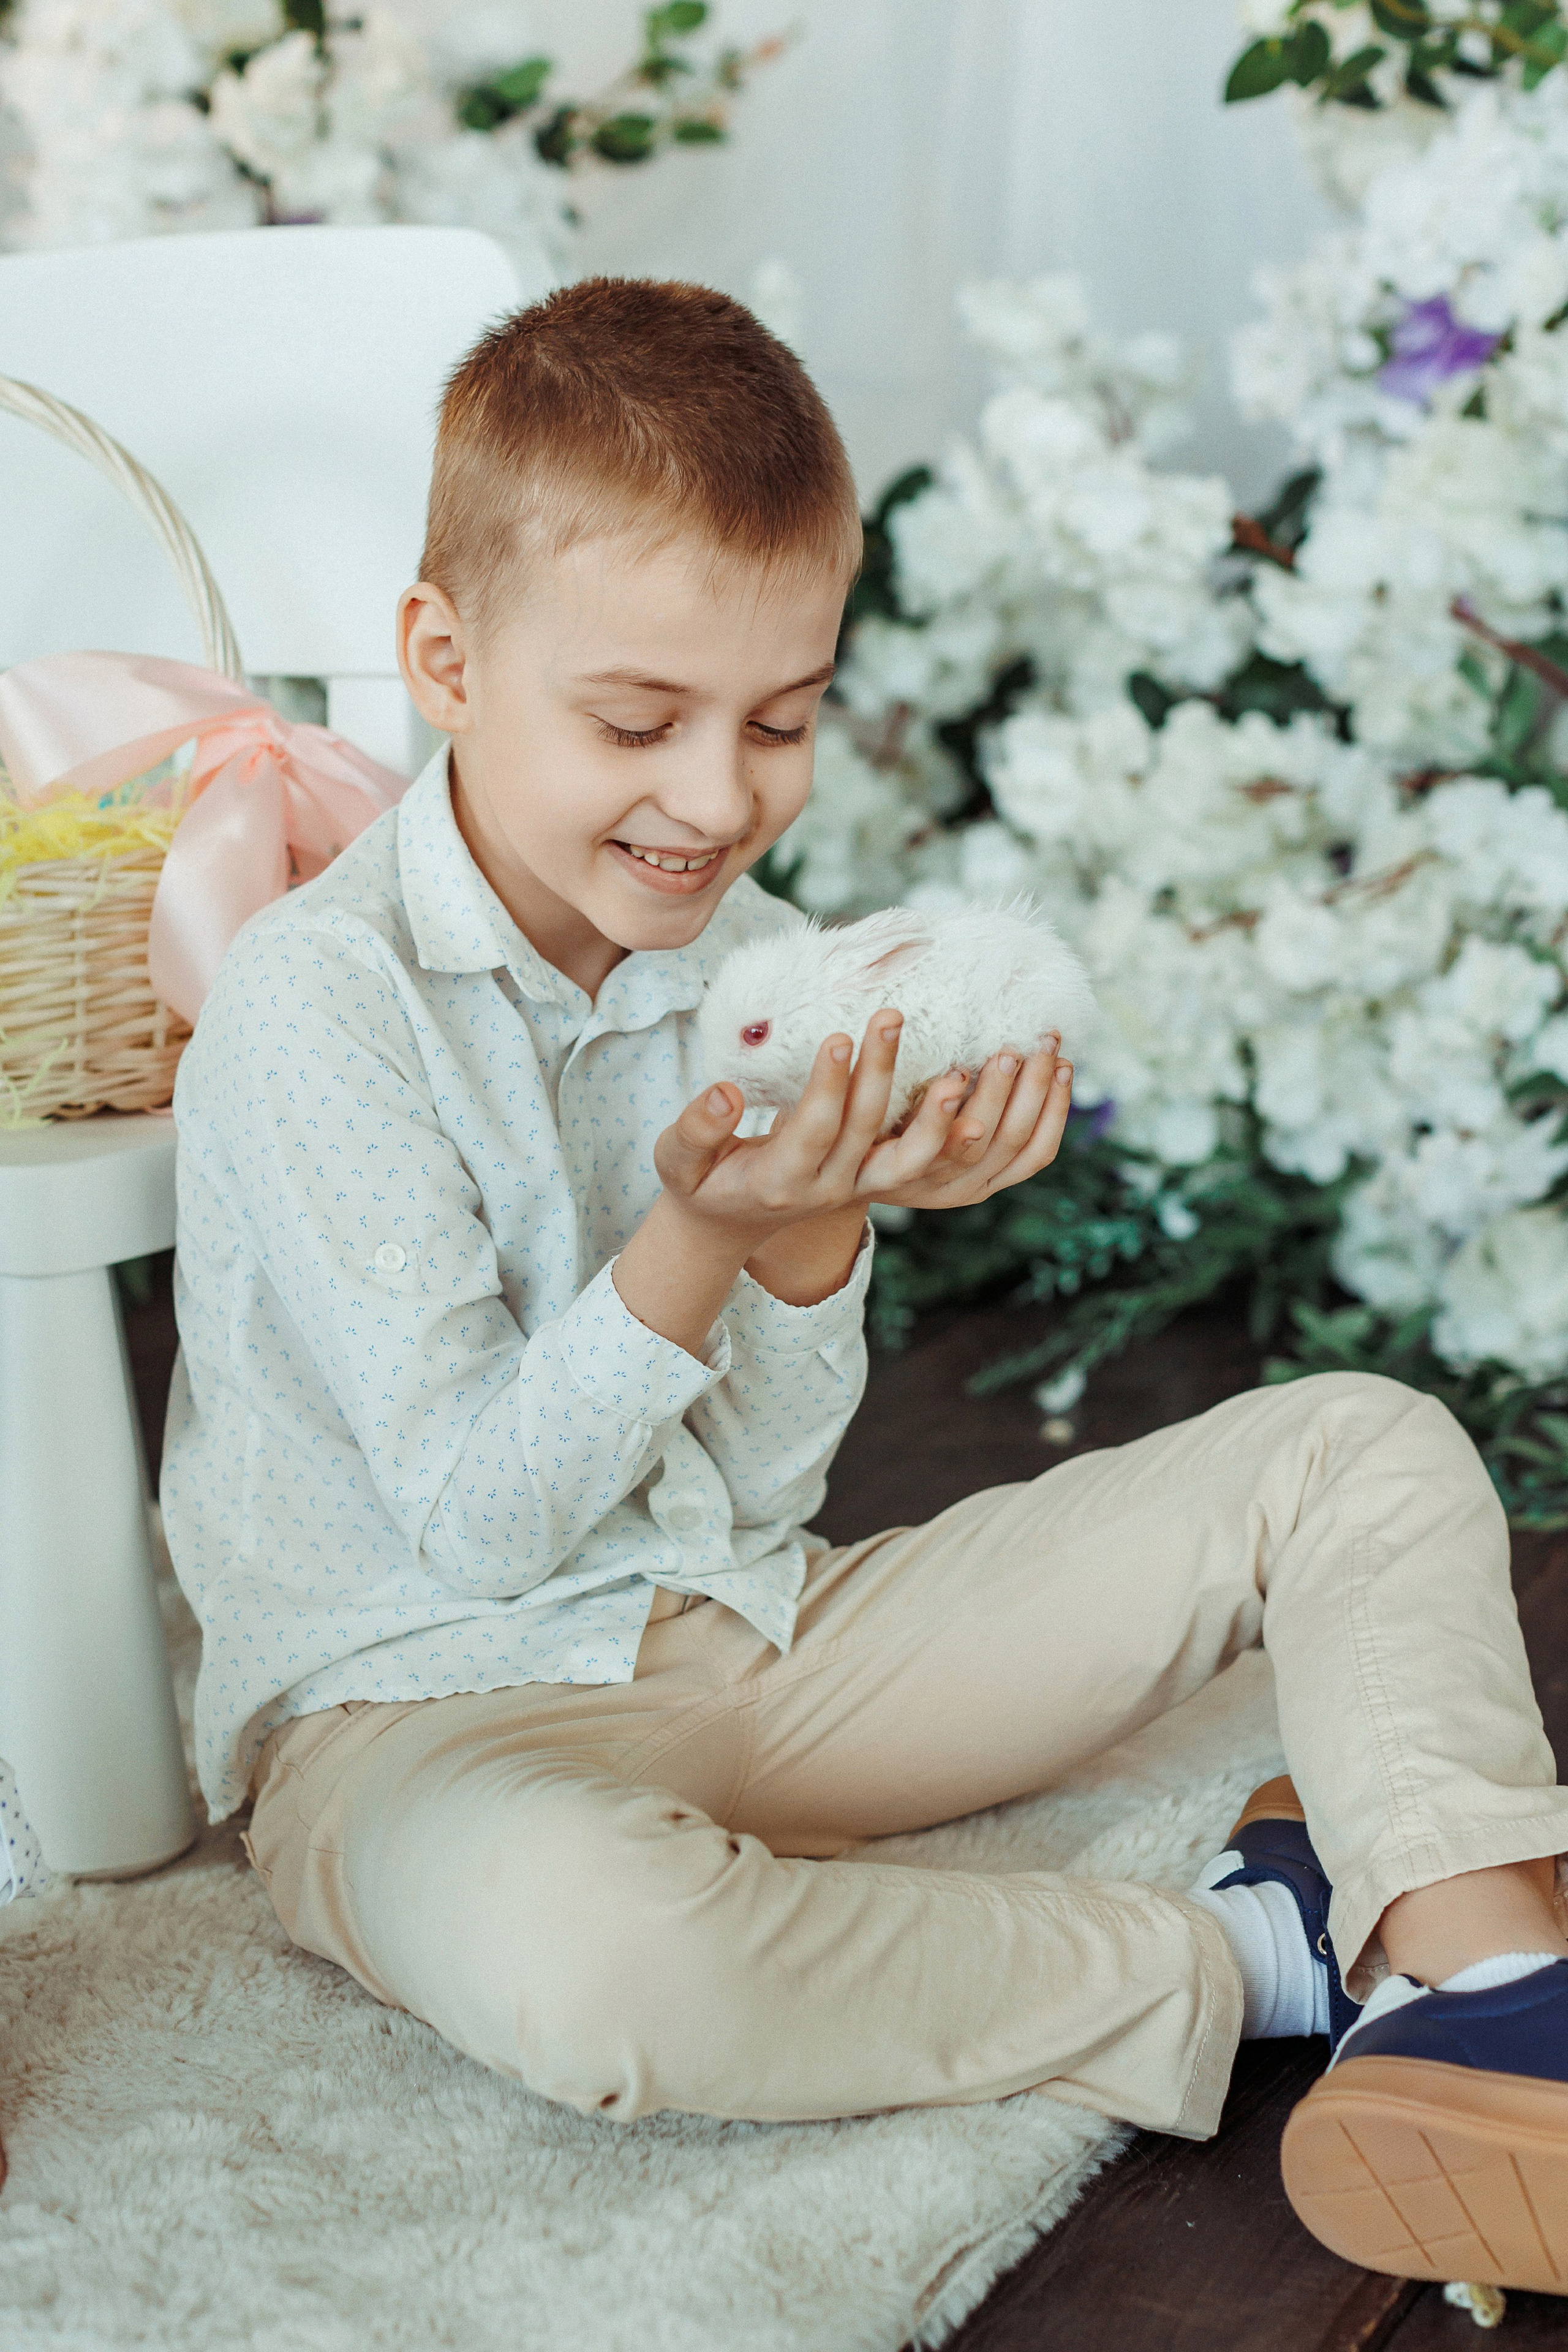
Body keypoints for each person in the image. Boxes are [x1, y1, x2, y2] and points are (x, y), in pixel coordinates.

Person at [163, 278, 1568, 2294]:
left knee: (1369, 1445)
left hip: (749, 1629)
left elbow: (765, 1501)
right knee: (605, 1962)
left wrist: (825, 1240)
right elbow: (478, 1526)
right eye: (639, 721)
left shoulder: (756, 957)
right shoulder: (320, 1006)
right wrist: (709, 1238)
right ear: (445, 662)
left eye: (785, 719)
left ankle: (1485, 1978)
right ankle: (1263, 1950)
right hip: (418, 1717)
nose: (719, 800)